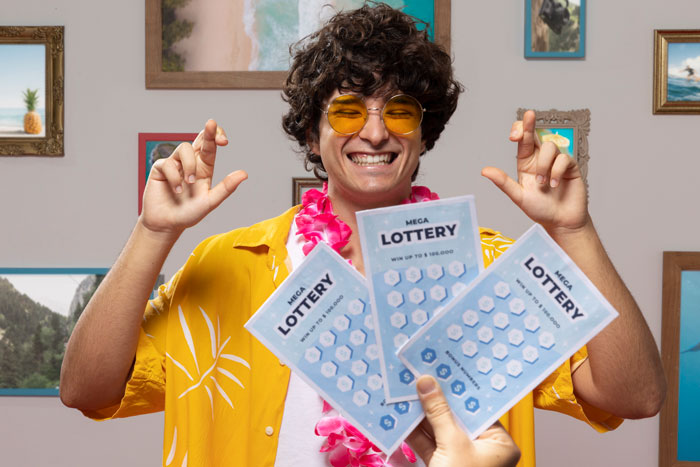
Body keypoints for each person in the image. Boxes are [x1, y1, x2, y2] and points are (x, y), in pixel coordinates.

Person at [59, 3, 665, 467]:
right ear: (312, 133)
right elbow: (86, 390)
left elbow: (633, 397)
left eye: (399, 111)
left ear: (424, 134)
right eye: (349, 110)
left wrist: (573, 229)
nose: (374, 133)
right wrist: (152, 231)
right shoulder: (229, 261)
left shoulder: (490, 269)